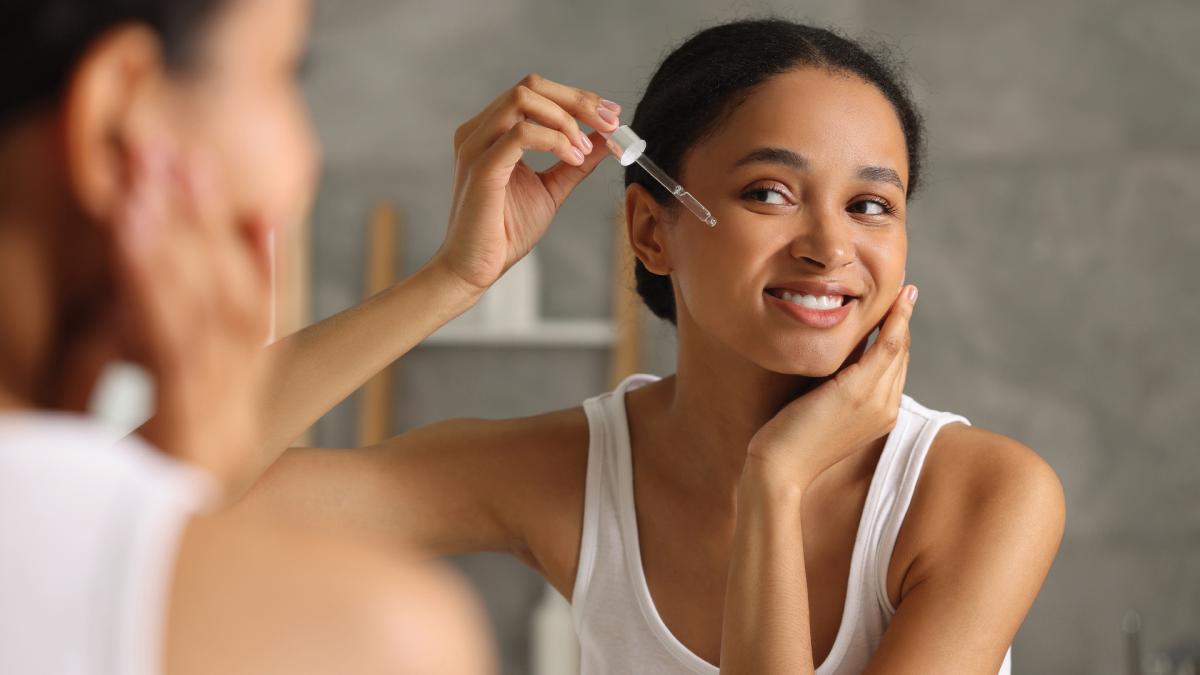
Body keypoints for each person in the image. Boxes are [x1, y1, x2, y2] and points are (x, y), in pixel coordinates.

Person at [233, 18, 1067, 675]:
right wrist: (454, 277)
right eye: (770, 192)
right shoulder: (567, 475)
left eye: (871, 205)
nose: (830, 247)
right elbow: (166, 487)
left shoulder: (982, 495)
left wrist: (773, 483)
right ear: (650, 228)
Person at [0, 0, 618, 672]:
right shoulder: (369, 633)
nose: (302, 159)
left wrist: (453, 279)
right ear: (115, 113)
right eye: (284, 73)